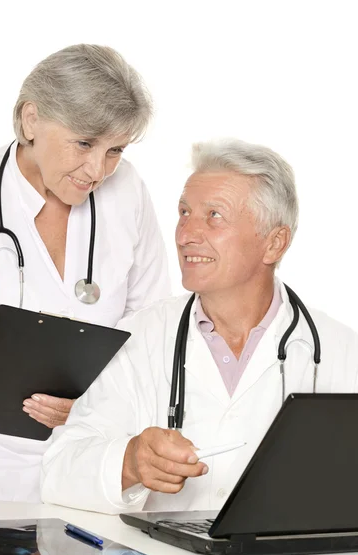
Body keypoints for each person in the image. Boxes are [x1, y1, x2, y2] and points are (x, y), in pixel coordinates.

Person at [41, 138, 358, 514]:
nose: (185, 234)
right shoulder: (139, 337)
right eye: (184, 212)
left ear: (274, 244)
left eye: (214, 216)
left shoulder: (341, 353)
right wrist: (130, 462)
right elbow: (57, 470)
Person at [0, 44, 170, 502]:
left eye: (114, 149)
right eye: (84, 143)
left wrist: (95, 406)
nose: (98, 169)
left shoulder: (128, 190)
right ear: (31, 119)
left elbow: (152, 325)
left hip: (90, 460)